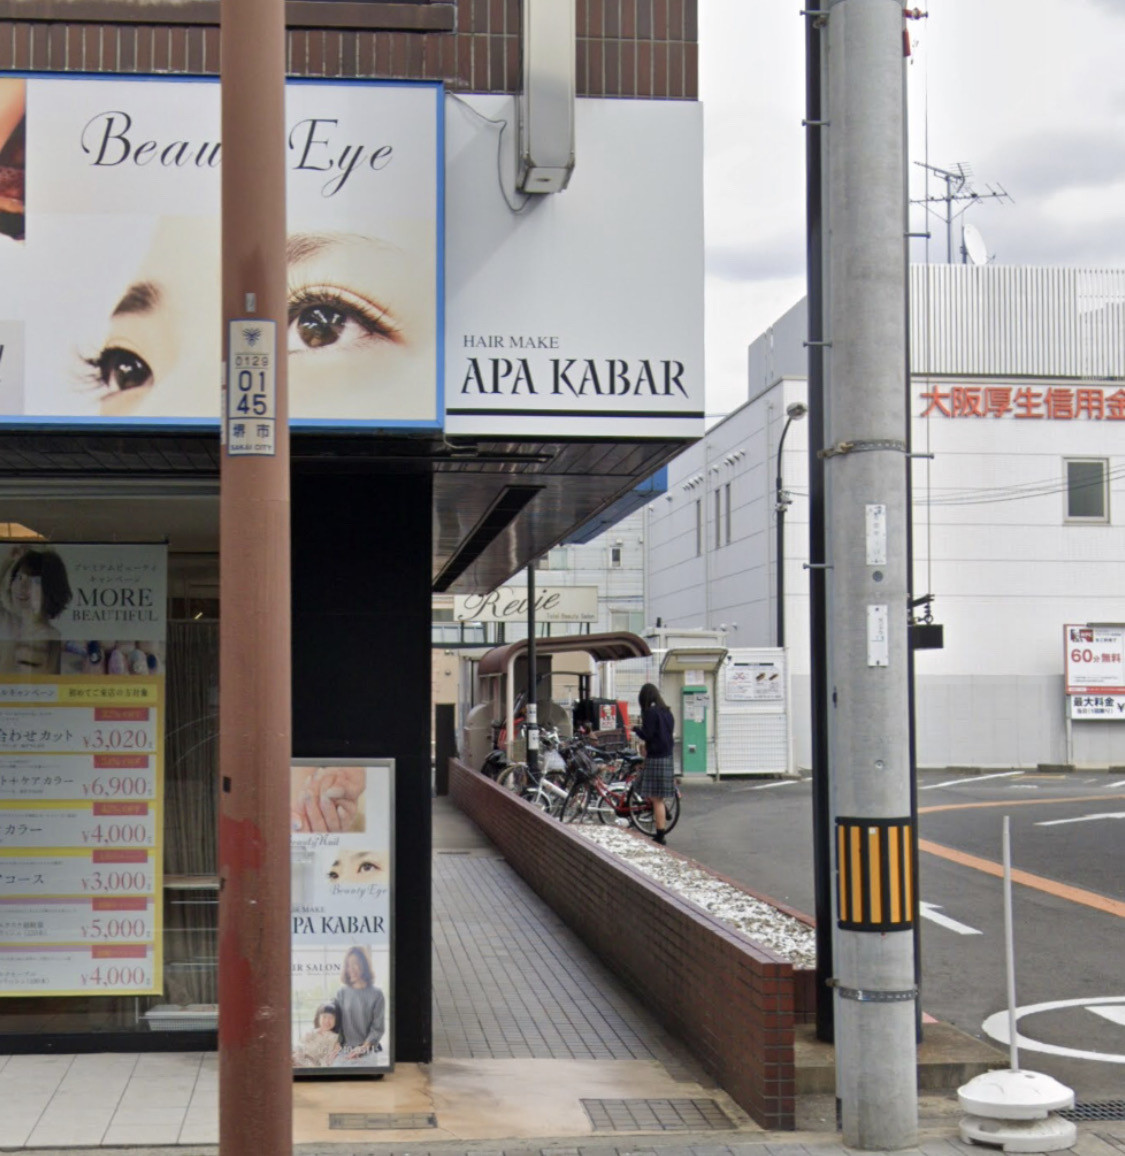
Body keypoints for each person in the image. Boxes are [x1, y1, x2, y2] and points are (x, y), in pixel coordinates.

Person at [0, 546, 73, 674]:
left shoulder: (50, 637)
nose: (23, 586)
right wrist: (9, 560)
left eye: (35, 581)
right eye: (20, 577)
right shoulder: (8, 619)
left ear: (50, 588)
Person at [632, 682, 675, 845]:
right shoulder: (667, 712)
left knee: (655, 798)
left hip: (656, 757)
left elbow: (647, 735)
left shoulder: (651, 712)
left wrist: (635, 729)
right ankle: (665, 812)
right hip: (667, 757)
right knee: (652, 793)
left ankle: (660, 834)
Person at [331, 946, 385, 1066]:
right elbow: (337, 1026)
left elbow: (378, 1028)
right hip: (344, 1050)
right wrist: (336, 1045)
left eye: (355, 964)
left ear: (364, 965)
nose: (351, 969)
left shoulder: (377, 994)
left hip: (367, 1048)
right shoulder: (341, 993)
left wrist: (363, 1048)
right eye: (348, 965)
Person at [292, 1000, 342, 1068]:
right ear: (318, 1017)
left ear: (336, 1020)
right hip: (300, 1058)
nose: (327, 1021)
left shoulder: (334, 1037)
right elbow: (299, 1046)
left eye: (331, 1018)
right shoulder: (311, 1032)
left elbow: (326, 1058)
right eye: (324, 1017)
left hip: (314, 1064)